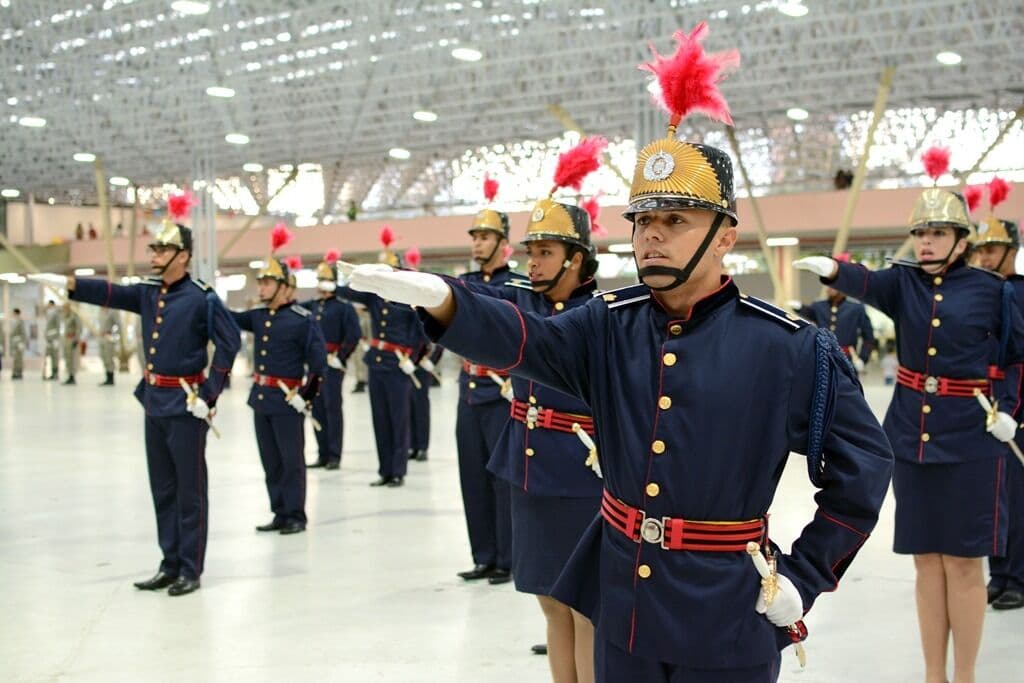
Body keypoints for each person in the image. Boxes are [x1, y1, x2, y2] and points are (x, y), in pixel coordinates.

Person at [347, 24, 894, 681]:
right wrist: (447, 302)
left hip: (728, 615)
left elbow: (862, 469)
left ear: (725, 236)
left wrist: (805, 574)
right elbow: (528, 340)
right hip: (624, 604)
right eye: (643, 222)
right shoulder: (608, 324)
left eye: (675, 221)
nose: (652, 239)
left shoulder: (787, 347)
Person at [795, 152, 1024, 682]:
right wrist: (831, 268)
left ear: (960, 241)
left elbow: (1015, 359)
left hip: (973, 439)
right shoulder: (904, 284)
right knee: (926, 562)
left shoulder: (995, 292)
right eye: (920, 232)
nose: (924, 242)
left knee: (964, 566)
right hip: (914, 441)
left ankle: (963, 675)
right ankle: (932, 675)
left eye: (937, 233)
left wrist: (1010, 410)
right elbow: (866, 281)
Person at [31, 192, 240, 596]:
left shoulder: (203, 298)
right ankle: (169, 562)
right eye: (153, 248)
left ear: (182, 255)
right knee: (162, 487)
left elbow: (230, 345)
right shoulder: (148, 293)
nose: (155, 254)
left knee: (189, 490)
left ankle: (190, 569)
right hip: (154, 402)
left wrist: (210, 394)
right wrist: (69, 284)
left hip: (186, 406)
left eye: (162, 248)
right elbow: (110, 293)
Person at [477, 144, 606, 681]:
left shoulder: (600, 315)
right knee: (549, 600)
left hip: (578, 473)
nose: (532, 262)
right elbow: (474, 302)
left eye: (545, 252)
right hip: (526, 469)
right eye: (530, 252)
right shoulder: (520, 302)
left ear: (576, 259)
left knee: (584, 607)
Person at [443, 177, 528, 581]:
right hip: (469, 392)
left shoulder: (518, 287)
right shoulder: (467, 285)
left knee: (502, 479)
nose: (477, 243)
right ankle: (484, 555)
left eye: (485, 236)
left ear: (502, 242)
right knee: (472, 475)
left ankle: (508, 558)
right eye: (475, 236)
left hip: (503, 394)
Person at [232, 235, 325, 535]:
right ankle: (280, 512)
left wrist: (306, 397)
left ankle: (296, 514)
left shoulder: (302, 320)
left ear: (285, 288)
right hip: (262, 399)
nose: (261, 288)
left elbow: (319, 365)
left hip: (288, 401)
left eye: (267, 283)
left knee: (291, 461)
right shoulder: (259, 316)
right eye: (260, 283)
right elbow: (231, 319)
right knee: (270, 461)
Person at [336, 227, 428, 488]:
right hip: (376, 363)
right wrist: (349, 274)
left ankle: (397, 471)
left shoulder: (411, 298)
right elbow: (347, 292)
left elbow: (423, 334)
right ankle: (384, 470)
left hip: (399, 365)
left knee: (399, 420)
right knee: (380, 420)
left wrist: (415, 357)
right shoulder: (375, 297)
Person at [969, 177, 1024, 611]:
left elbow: (1018, 360)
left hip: (1014, 409)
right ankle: (999, 574)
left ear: (1010, 251)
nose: (984, 256)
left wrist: (1012, 412)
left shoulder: (1018, 292)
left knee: (1016, 500)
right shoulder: (979, 292)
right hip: (981, 408)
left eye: (991, 249)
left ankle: (1017, 577)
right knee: (991, 498)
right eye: (980, 249)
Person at [303, 250, 361, 470]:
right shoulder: (313, 306)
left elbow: (354, 335)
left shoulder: (343, 307)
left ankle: (335, 454)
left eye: (325, 280)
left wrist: (342, 356)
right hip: (315, 365)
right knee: (316, 408)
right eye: (319, 280)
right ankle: (322, 453)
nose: (321, 284)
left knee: (332, 410)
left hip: (333, 366)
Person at [799, 260, 875, 374]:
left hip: (847, 360)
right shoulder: (819, 306)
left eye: (833, 284)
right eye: (828, 284)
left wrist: (863, 358)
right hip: (822, 358)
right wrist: (798, 307)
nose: (830, 287)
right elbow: (809, 313)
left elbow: (868, 337)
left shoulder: (856, 308)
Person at [61, 302, 82, 385]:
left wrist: (76, 339)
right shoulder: (64, 317)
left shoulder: (74, 316)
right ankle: (69, 375)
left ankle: (72, 376)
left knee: (72, 358)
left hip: (72, 339)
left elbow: (79, 328)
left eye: (65, 308)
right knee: (67, 357)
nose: (64, 309)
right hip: (66, 339)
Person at [98, 306, 119, 386]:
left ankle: (111, 378)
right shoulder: (100, 311)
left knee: (109, 357)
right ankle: (107, 376)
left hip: (109, 336)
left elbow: (118, 324)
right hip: (101, 337)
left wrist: (115, 336)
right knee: (103, 357)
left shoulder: (113, 311)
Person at [43, 300, 60, 380]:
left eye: (49, 305)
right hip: (49, 339)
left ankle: (55, 373)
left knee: (55, 356)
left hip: (54, 339)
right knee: (48, 356)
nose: (48, 306)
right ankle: (49, 373)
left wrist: (56, 339)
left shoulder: (56, 314)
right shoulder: (48, 314)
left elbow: (58, 326)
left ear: (52, 305)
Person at [8, 308, 26, 379]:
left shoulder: (20, 322)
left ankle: (19, 372)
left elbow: (23, 333)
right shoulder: (14, 322)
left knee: (19, 359)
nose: (13, 315)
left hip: (19, 343)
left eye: (13, 313)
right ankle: (15, 372)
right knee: (15, 358)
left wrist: (21, 342)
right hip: (14, 343)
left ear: (16, 313)